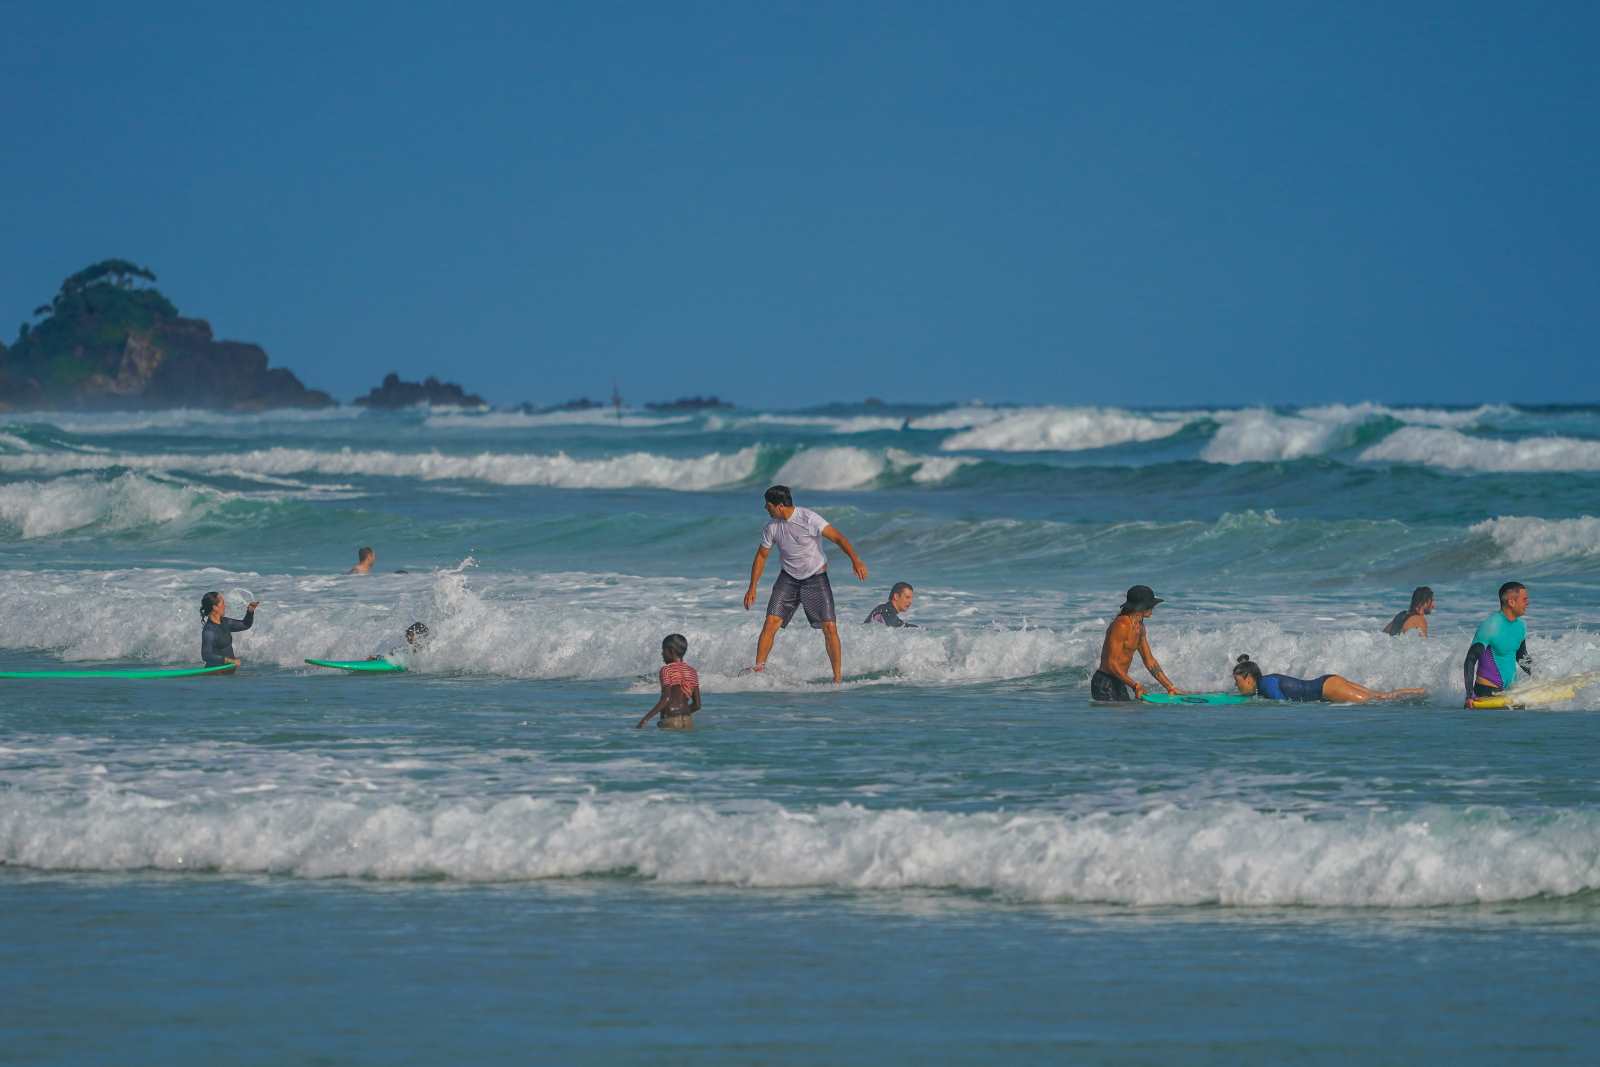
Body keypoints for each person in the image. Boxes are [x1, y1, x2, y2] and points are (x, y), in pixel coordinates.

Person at [743, 485, 869, 684]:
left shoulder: (808, 518)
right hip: (788, 579)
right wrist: (752, 586)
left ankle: (837, 678)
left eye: (768, 505)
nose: (765, 508)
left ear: (780, 506)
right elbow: (761, 556)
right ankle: (758, 670)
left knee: (829, 627)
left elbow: (838, 537)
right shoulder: (772, 527)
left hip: (815, 578)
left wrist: (856, 560)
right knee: (770, 622)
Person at [1091, 585, 1181, 701]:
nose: (1152, 607)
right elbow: (1111, 664)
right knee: (1120, 718)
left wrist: (1170, 687)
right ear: (1141, 606)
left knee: (1127, 716)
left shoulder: (1140, 627)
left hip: (1120, 681)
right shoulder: (1122, 625)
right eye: (1150, 605)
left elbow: (1149, 661)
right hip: (1104, 683)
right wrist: (1135, 685)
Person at [1231, 654, 1425, 703]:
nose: (1236, 686)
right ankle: (1421, 691)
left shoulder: (1266, 684)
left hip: (1328, 689)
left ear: (1248, 678)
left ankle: (1423, 694)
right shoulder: (1266, 682)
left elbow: (1281, 704)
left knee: (1379, 700)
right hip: (1329, 682)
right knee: (1381, 696)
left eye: (1237, 682)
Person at [1463, 581, 1533, 706]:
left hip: (1510, 692)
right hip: (1486, 692)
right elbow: (1470, 659)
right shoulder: (1491, 625)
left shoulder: (1521, 626)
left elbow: (1521, 656)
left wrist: (1538, 677)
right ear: (1511, 602)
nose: (1527, 603)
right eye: (1524, 599)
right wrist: (1469, 694)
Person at [636, 633, 702, 729]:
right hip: (688, 720)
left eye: (663, 650)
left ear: (671, 651)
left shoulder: (666, 670)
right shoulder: (692, 671)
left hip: (671, 720)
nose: (662, 654)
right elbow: (697, 705)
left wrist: (645, 719)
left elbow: (666, 699)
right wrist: (681, 713)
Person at [200, 591, 259, 667]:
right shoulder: (209, 631)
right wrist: (228, 660)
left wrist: (250, 611)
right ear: (215, 607)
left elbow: (245, 624)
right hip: (216, 676)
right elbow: (206, 655)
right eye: (223, 603)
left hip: (228, 674)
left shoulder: (225, 622)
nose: (225, 606)